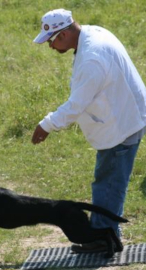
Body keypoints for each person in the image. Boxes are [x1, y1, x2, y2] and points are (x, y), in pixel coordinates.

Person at [31, 8, 146, 253]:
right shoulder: (93, 32)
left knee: (108, 184)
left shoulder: (92, 58)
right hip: (125, 114)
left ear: (62, 35)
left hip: (121, 124)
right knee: (108, 181)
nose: (50, 47)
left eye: (50, 41)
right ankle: (108, 232)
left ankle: (104, 240)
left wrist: (46, 124)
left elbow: (76, 105)